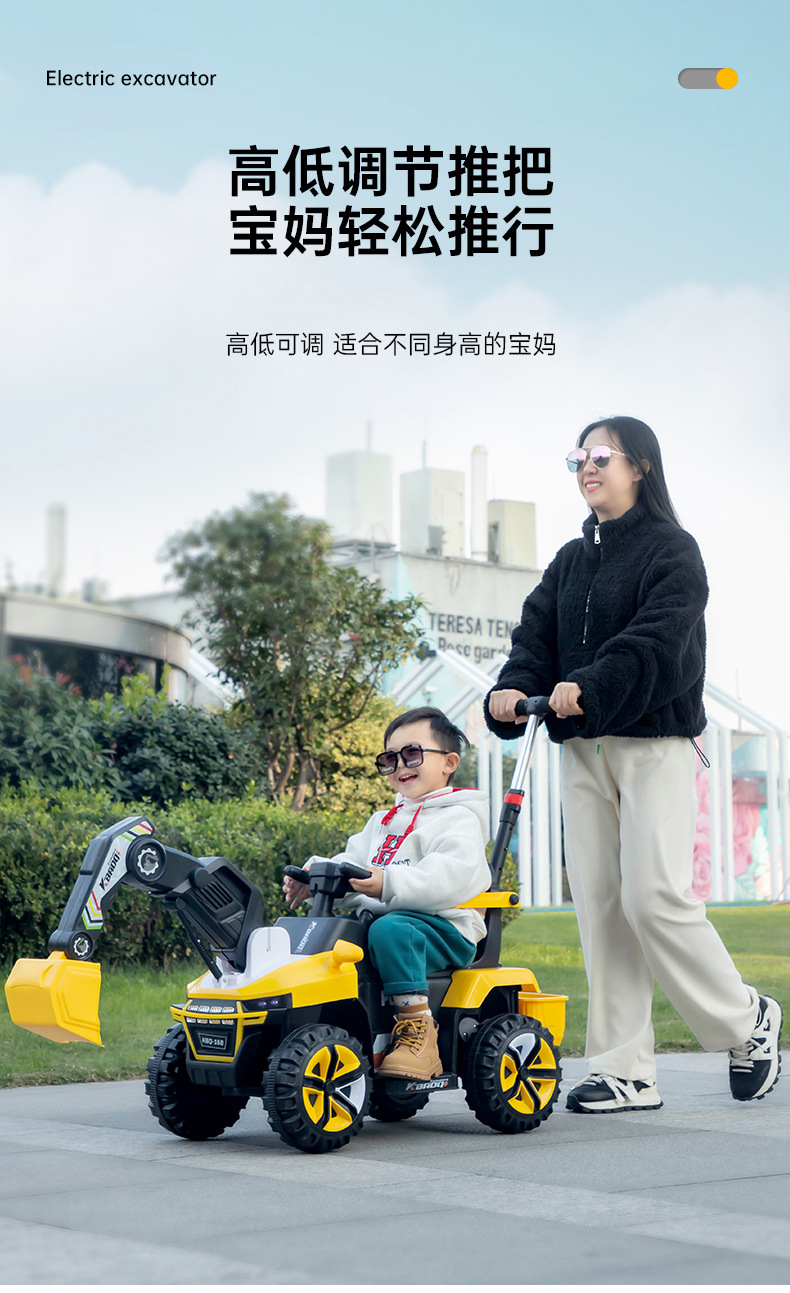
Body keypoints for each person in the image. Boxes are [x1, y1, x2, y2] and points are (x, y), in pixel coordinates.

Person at [485, 415, 782, 1114]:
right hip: (581, 750)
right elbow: (534, 637)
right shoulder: (570, 560)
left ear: (641, 466)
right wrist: (513, 685)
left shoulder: (673, 551)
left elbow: (658, 641)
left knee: (653, 898)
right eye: (578, 459)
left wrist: (590, 685)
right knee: (600, 906)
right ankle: (624, 1070)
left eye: (601, 455)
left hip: (654, 744)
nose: (587, 468)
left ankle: (747, 1019)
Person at [283, 706, 491, 1081]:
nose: (400, 766)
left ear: (449, 762)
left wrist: (388, 882)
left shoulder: (459, 818)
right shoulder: (383, 820)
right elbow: (352, 862)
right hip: (388, 925)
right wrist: (315, 873)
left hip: (445, 928)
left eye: (412, 754)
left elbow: (450, 877)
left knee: (390, 930)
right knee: (328, 938)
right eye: (390, 759)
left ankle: (419, 1033)